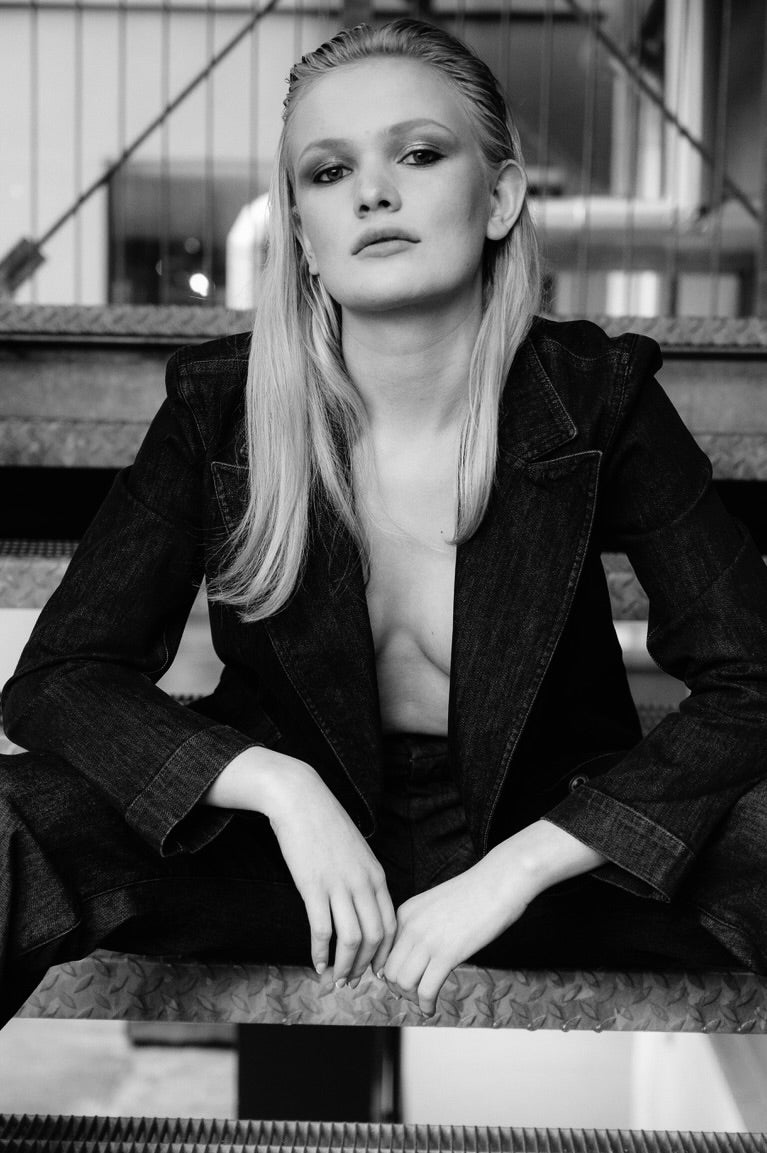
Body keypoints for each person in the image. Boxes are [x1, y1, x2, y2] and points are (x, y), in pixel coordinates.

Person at [2, 18, 767, 1025]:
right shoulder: (220, 409)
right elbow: (61, 679)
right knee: (12, 817)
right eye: (329, 172)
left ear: (499, 198)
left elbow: (751, 679)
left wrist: (524, 864)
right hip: (290, 865)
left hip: (553, 854)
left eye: (417, 154)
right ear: (304, 237)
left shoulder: (594, 396)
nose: (371, 192)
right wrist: (275, 787)